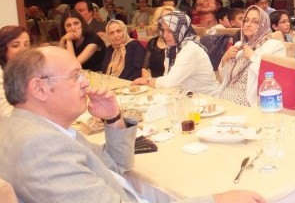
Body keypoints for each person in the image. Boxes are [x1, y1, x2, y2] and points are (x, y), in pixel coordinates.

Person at [0, 46, 265, 203]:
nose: (85, 83)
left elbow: (116, 167)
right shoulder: (40, 147)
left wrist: (114, 119)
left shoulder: (36, 128)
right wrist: (216, 200)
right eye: (75, 76)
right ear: (39, 89)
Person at [132, 11, 220, 96]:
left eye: (170, 31)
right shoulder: (172, 47)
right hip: (188, 97)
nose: (165, 35)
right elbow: (167, 76)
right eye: (163, 30)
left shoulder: (190, 49)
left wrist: (148, 81)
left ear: (181, 30)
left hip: (210, 99)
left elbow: (169, 82)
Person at [219, 6, 286, 106]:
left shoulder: (275, 46)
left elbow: (275, 79)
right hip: (225, 98)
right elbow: (226, 79)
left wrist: (253, 57)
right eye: (246, 20)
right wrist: (225, 59)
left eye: (255, 22)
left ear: (263, 25)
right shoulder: (239, 45)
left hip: (251, 103)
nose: (248, 24)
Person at [0, 25, 30, 117]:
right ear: (2, 49)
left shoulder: (29, 69)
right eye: (15, 45)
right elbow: (6, 114)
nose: (23, 50)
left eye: (26, 44)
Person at [140, 6, 176, 78]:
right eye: (164, 18)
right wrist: (149, 81)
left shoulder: (180, 44)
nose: (168, 21)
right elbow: (145, 68)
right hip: (152, 81)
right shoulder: (152, 42)